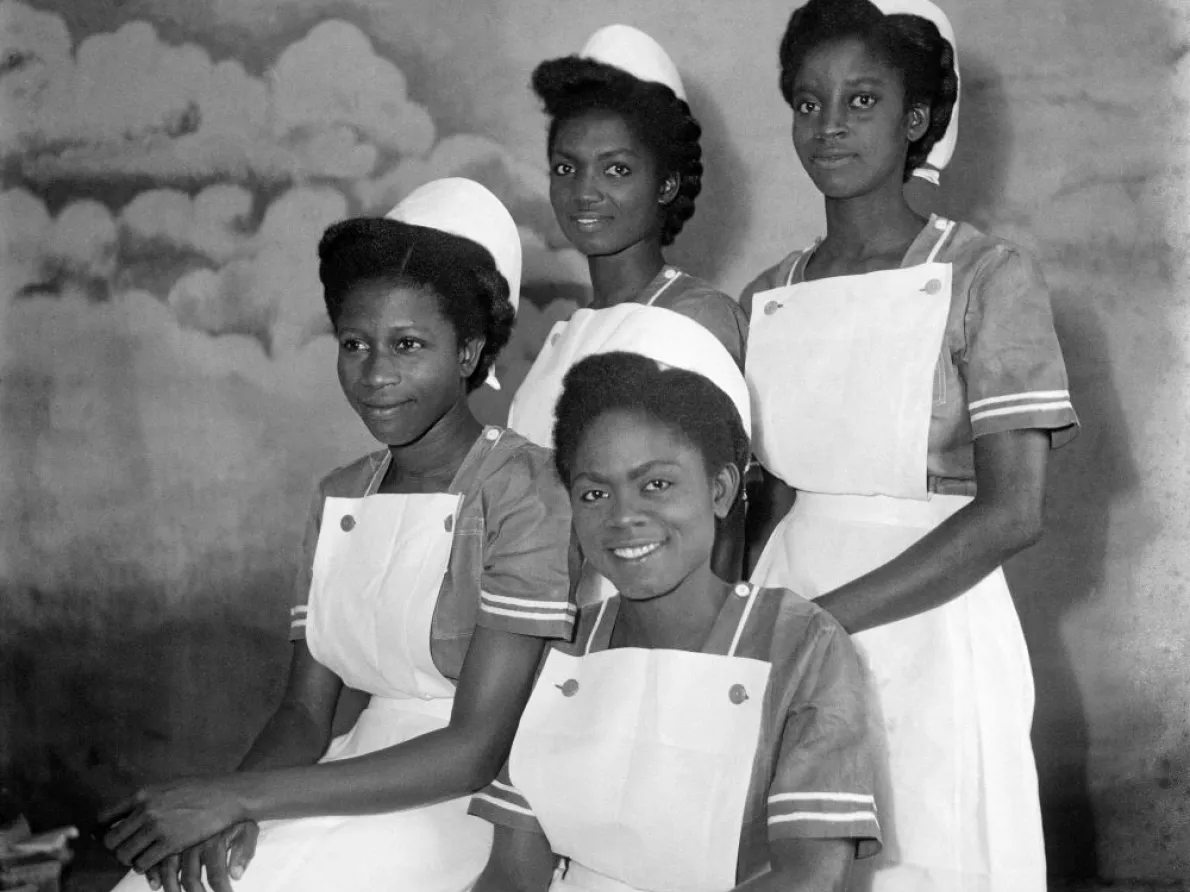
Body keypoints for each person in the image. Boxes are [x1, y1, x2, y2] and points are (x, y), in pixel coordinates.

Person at [100, 178, 577, 892]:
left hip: (464, 804)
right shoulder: (341, 494)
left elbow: (473, 749)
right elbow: (303, 711)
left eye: (408, 344)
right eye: (355, 344)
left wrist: (240, 798)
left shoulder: (525, 490)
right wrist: (223, 812)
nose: (376, 374)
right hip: (344, 777)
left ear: (471, 351)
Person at [741, 2, 1079, 890]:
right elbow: (760, 497)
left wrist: (825, 623)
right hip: (789, 598)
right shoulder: (767, 296)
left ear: (917, 118)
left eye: (862, 100)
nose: (830, 126)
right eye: (808, 103)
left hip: (935, 619)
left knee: (923, 854)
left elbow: (1014, 513)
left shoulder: (986, 278)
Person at [471, 352, 882, 892]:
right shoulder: (563, 648)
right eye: (595, 493)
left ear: (720, 489)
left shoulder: (803, 644)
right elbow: (512, 876)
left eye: (656, 484)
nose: (623, 516)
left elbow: (808, 880)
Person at [507, 23, 748, 448]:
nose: (584, 191)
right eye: (566, 168)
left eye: (615, 169)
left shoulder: (695, 318)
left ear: (667, 184)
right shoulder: (566, 331)